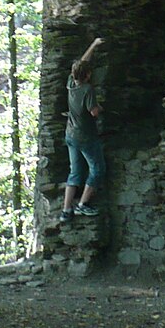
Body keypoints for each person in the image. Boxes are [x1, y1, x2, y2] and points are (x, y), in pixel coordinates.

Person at [63, 47, 105, 219]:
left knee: (75, 171)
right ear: (87, 75)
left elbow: (81, 63)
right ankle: (83, 204)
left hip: (70, 134)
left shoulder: (70, 83)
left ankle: (66, 210)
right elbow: (93, 112)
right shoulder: (87, 89)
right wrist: (100, 108)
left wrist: (95, 45)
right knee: (97, 169)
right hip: (85, 137)